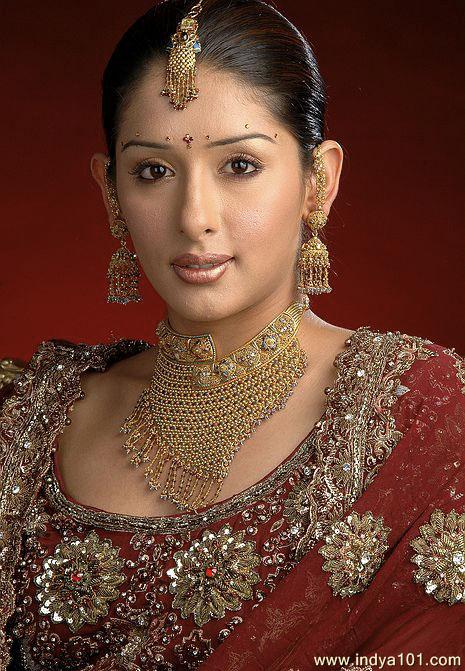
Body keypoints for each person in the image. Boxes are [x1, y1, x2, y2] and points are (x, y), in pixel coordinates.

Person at [1, 0, 464, 669]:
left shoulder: (421, 414)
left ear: (318, 181)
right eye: (153, 170)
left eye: (239, 165)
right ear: (110, 191)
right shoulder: (29, 416)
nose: (195, 217)